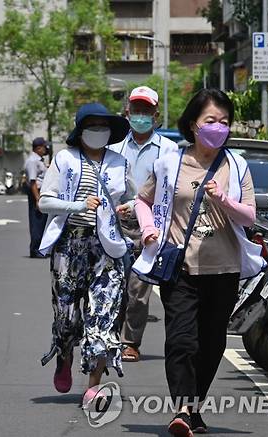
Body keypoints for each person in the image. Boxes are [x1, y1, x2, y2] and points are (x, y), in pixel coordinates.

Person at [132, 89, 265, 436]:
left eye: (224, 122)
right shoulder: (169, 162)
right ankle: (182, 409)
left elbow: (249, 217)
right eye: (210, 121)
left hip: (224, 270)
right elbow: (142, 201)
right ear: (193, 125)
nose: (218, 128)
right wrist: (148, 230)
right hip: (181, 267)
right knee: (181, 340)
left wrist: (224, 200)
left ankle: (194, 407)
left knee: (211, 343)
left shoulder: (237, 165)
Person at [37, 102, 136, 399]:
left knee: (104, 316)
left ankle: (93, 386)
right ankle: (64, 355)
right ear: (80, 131)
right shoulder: (64, 159)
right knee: (67, 319)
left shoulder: (120, 163)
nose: (98, 131)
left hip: (106, 249)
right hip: (70, 246)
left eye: (103, 126)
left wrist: (128, 209)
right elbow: (44, 202)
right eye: (92, 125)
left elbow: (135, 200)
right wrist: (77, 206)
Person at [109, 86, 178, 362]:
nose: (140, 115)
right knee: (114, 284)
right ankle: (110, 334)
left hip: (149, 227)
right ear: (127, 112)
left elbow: (170, 189)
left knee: (138, 289)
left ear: (155, 114)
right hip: (115, 224)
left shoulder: (169, 150)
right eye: (135, 109)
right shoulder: (114, 148)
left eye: (145, 111)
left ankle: (130, 341)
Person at [24, 137, 50, 258]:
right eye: (45, 147)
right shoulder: (32, 161)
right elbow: (33, 182)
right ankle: (35, 249)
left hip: (42, 192)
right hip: (37, 192)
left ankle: (40, 248)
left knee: (42, 222)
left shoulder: (39, 160)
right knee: (37, 222)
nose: (46, 149)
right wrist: (38, 199)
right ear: (38, 148)